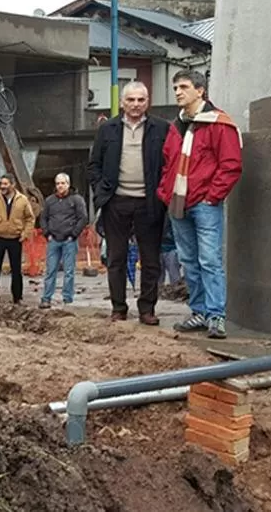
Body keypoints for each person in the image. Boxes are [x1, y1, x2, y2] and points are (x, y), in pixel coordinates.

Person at [157, 70, 243, 339]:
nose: (178, 92)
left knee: (209, 260)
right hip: (178, 204)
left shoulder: (219, 124)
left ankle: (216, 316)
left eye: (183, 87)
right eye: (175, 88)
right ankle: (199, 312)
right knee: (189, 261)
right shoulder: (176, 126)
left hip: (204, 204)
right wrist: (165, 192)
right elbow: (168, 163)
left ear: (200, 91)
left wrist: (212, 196)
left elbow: (230, 165)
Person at [88, 81, 170, 325]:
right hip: (116, 202)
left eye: (141, 100)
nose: (136, 105)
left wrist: (162, 194)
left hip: (149, 204)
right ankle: (118, 308)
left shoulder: (162, 129)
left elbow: (169, 164)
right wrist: (101, 191)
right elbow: (94, 165)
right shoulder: (108, 129)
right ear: (123, 102)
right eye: (131, 100)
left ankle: (147, 309)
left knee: (151, 260)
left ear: (148, 102)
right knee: (116, 258)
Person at [0, 174, 36, 304]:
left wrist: (25, 234)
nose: (2, 186)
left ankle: (17, 298)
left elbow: (30, 218)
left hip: (15, 239)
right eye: (1, 183)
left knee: (16, 270)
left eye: (5, 184)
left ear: (13, 185)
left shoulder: (22, 200)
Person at [38, 173, 88, 308]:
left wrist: (73, 234)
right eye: (58, 183)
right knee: (50, 271)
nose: (60, 186)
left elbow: (83, 218)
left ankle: (68, 299)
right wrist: (47, 233)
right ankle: (46, 298)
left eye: (62, 183)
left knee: (69, 272)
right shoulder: (49, 201)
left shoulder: (77, 200)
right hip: (53, 240)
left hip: (69, 241)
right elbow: (43, 218)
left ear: (68, 184)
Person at [161, 217, 183, 286]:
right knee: (157, 280)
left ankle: (176, 292)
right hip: (156, 248)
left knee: (175, 278)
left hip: (172, 247)